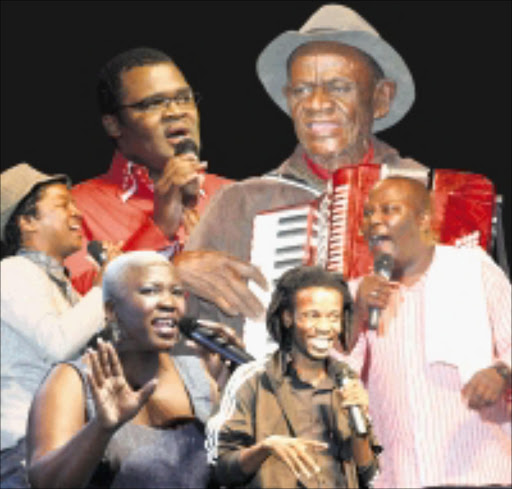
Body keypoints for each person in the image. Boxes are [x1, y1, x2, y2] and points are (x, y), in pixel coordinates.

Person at [185, 4, 508, 358]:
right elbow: (183, 331)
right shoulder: (240, 204)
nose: (316, 104)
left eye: (339, 88)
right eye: (302, 90)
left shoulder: (439, 198)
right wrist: (174, 277)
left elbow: (486, 333)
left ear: (381, 98)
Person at [65, 46, 267, 320]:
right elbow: (76, 315)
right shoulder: (74, 208)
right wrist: (160, 227)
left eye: (184, 98)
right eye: (152, 103)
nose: (175, 111)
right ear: (113, 125)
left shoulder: (238, 194)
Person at [334, 176, 511, 488]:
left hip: (478, 472)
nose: (375, 221)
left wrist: (501, 372)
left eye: (389, 210)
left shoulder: (471, 269)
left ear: (423, 219)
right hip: (398, 478)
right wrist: (357, 314)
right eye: (369, 214)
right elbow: (331, 377)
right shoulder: (357, 294)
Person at [26, 251, 236, 488]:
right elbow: (45, 483)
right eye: (150, 290)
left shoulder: (200, 373)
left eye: (177, 292)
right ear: (111, 311)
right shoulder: (73, 380)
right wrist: (101, 428)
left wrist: (238, 385)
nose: (169, 303)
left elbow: (229, 469)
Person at [0, 163, 120, 488]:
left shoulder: (65, 290)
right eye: (63, 204)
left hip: (71, 447)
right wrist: (102, 287)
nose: (78, 213)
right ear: (26, 222)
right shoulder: (12, 272)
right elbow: (57, 342)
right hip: (25, 452)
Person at [207, 266, 381, 488]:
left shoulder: (347, 381)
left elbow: (368, 474)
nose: (325, 327)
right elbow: (220, 469)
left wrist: (360, 428)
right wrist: (264, 448)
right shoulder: (252, 379)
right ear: (288, 317)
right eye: (312, 315)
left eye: (333, 317)